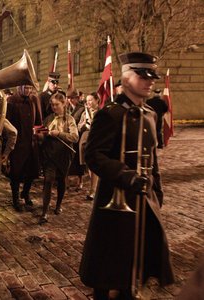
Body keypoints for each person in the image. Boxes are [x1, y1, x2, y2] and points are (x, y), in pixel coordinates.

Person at [79, 52, 174, 299]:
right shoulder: (110, 113)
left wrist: (157, 192)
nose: (150, 81)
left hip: (143, 198)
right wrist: (126, 175)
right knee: (107, 265)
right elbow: (94, 155)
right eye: (143, 76)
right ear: (126, 76)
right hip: (114, 200)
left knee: (136, 261)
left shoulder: (150, 115)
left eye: (151, 76)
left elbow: (151, 158)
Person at [37, 93, 79, 224]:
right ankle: (44, 212)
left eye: (57, 104)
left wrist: (59, 133)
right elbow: (44, 134)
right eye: (52, 104)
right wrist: (40, 136)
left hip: (64, 155)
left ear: (64, 104)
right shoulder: (49, 118)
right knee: (48, 180)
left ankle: (58, 205)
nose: (54, 107)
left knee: (62, 180)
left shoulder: (69, 119)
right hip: (50, 154)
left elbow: (75, 137)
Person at [6, 84, 42, 211]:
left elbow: (38, 120)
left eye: (30, 88)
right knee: (16, 173)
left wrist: (38, 134)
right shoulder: (11, 101)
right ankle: (15, 198)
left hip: (31, 142)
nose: (28, 91)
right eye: (25, 88)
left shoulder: (34, 99)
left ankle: (25, 193)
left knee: (31, 171)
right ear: (19, 87)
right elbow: (7, 124)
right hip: (18, 143)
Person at [78, 92, 100, 200]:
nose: (89, 103)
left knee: (94, 165)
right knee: (89, 166)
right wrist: (83, 125)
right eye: (87, 101)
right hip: (86, 141)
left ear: (97, 100)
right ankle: (95, 187)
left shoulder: (101, 113)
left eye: (91, 100)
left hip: (97, 141)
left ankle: (93, 190)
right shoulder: (84, 113)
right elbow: (78, 127)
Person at [66, 88, 86, 190]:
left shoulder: (82, 109)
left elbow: (82, 122)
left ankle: (80, 180)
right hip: (68, 136)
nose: (70, 100)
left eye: (72, 98)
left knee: (79, 159)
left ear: (77, 98)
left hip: (78, 135)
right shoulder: (67, 108)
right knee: (69, 159)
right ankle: (68, 180)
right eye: (68, 98)